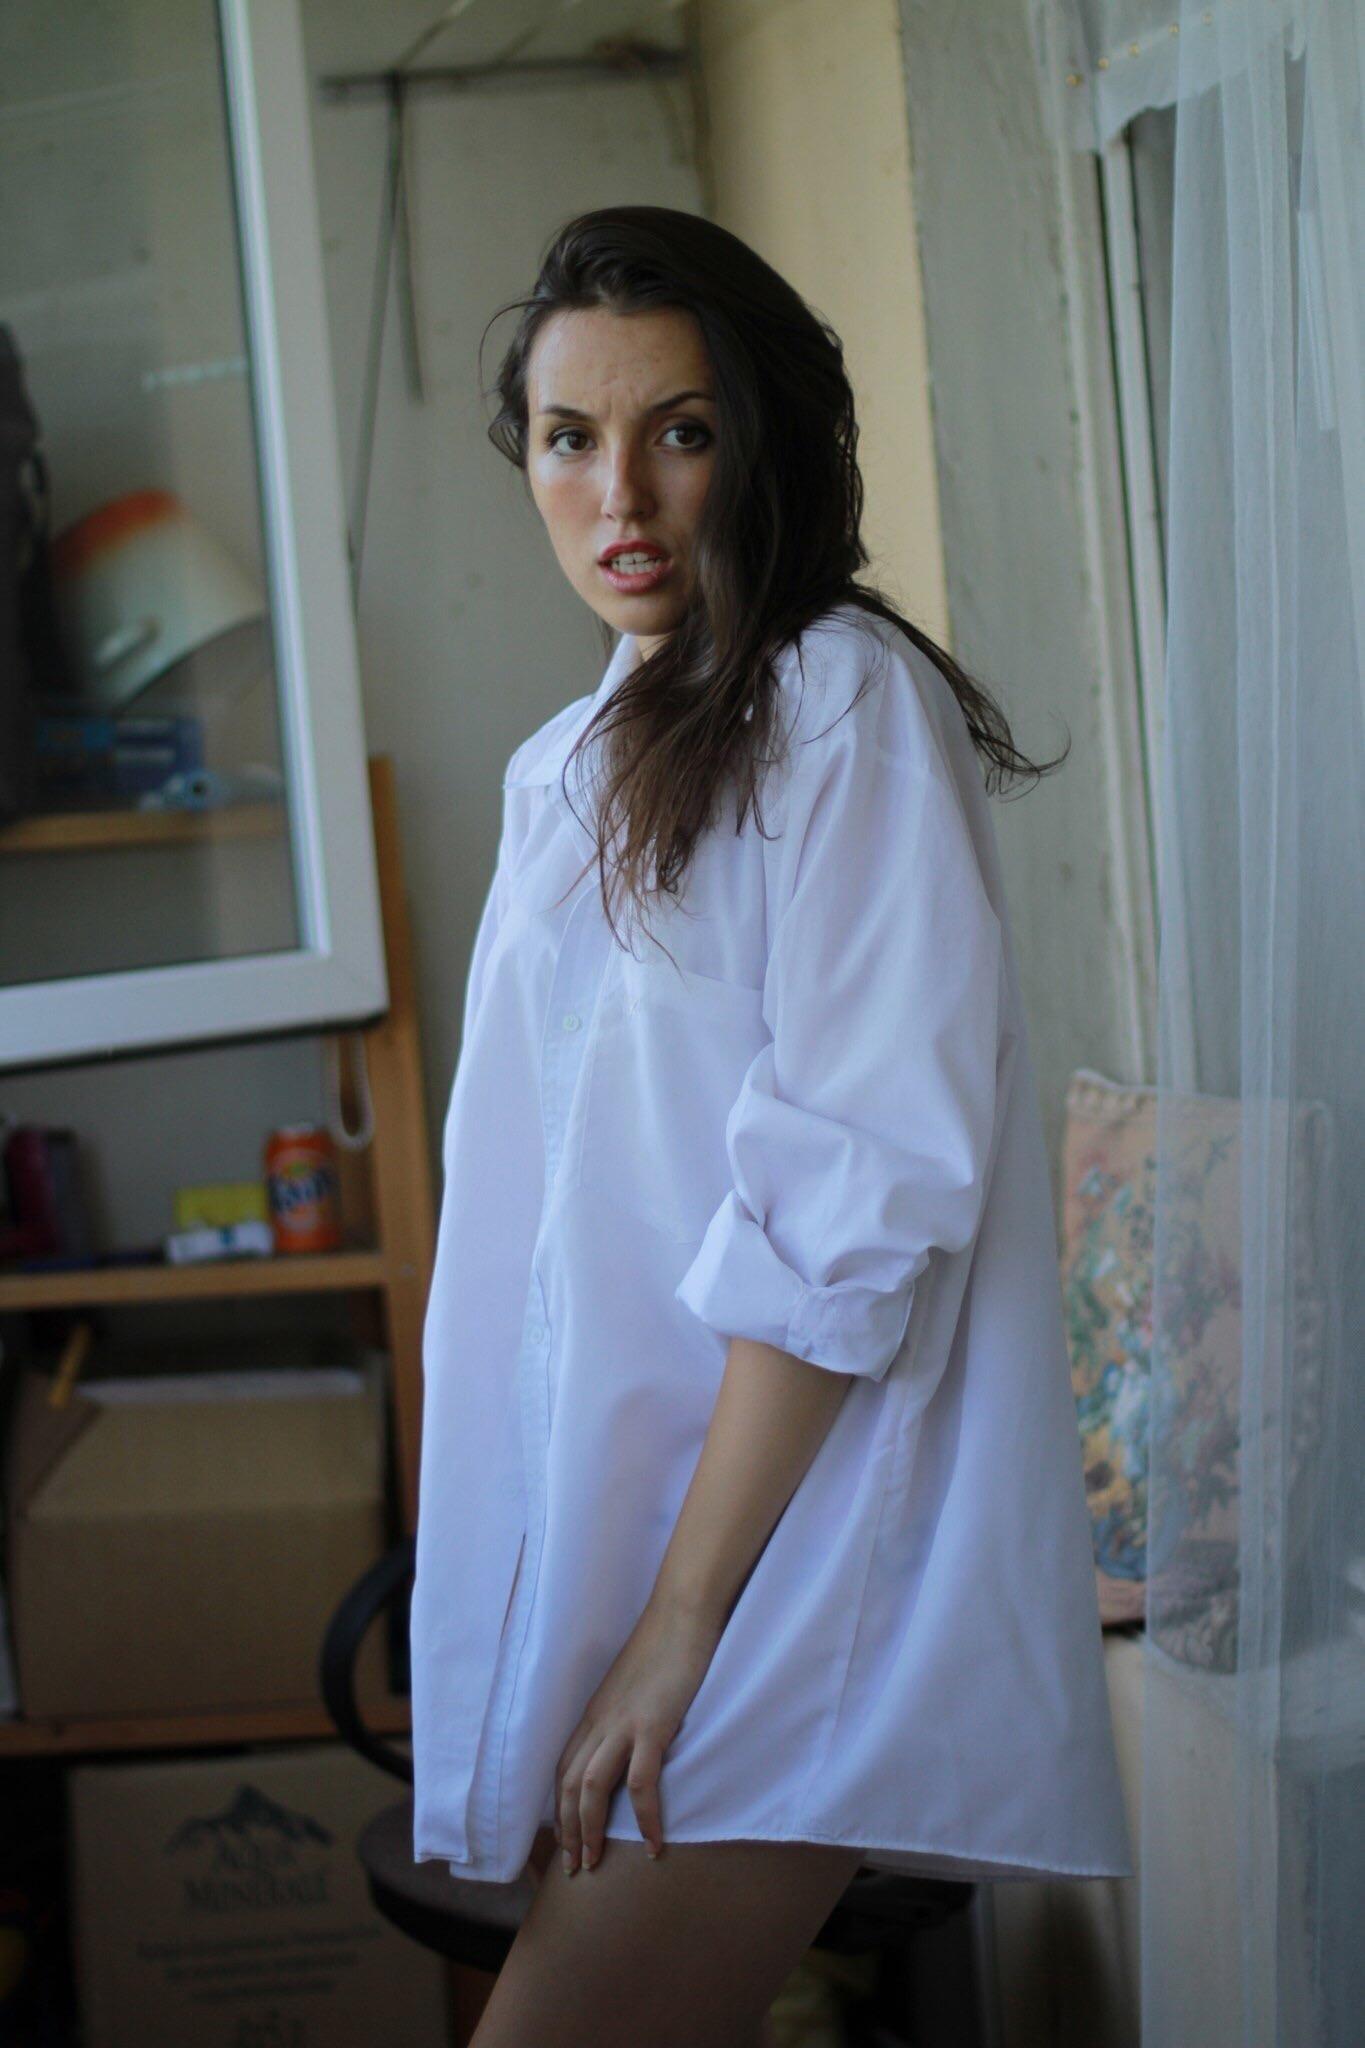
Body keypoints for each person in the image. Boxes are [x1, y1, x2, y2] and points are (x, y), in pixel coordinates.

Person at [409, 205, 1132, 2048]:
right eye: (568, 438)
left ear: (768, 440)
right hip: (647, 1540)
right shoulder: (574, 762)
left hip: (784, 1570)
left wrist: (681, 1622)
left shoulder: (839, 705)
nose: (620, 495)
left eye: (681, 429)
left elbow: (855, 1197)